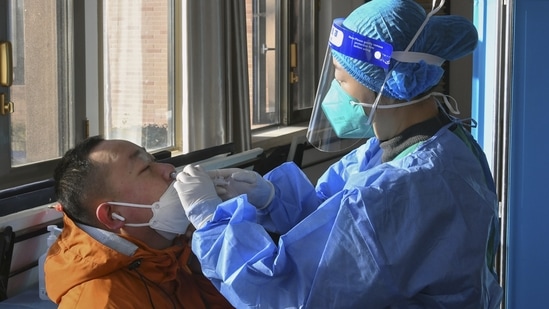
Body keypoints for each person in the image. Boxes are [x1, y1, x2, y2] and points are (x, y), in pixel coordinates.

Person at [174, 0, 503, 308]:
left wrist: (210, 222)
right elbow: (336, 217)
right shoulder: (428, 140)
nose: (334, 92)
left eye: (342, 80)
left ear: (389, 86)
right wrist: (272, 199)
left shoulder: (404, 187)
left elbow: (290, 292)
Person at [45, 135, 233, 308]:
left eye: (154, 161)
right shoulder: (102, 302)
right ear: (112, 216)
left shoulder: (171, 255)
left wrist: (208, 265)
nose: (169, 169)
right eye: (145, 169)